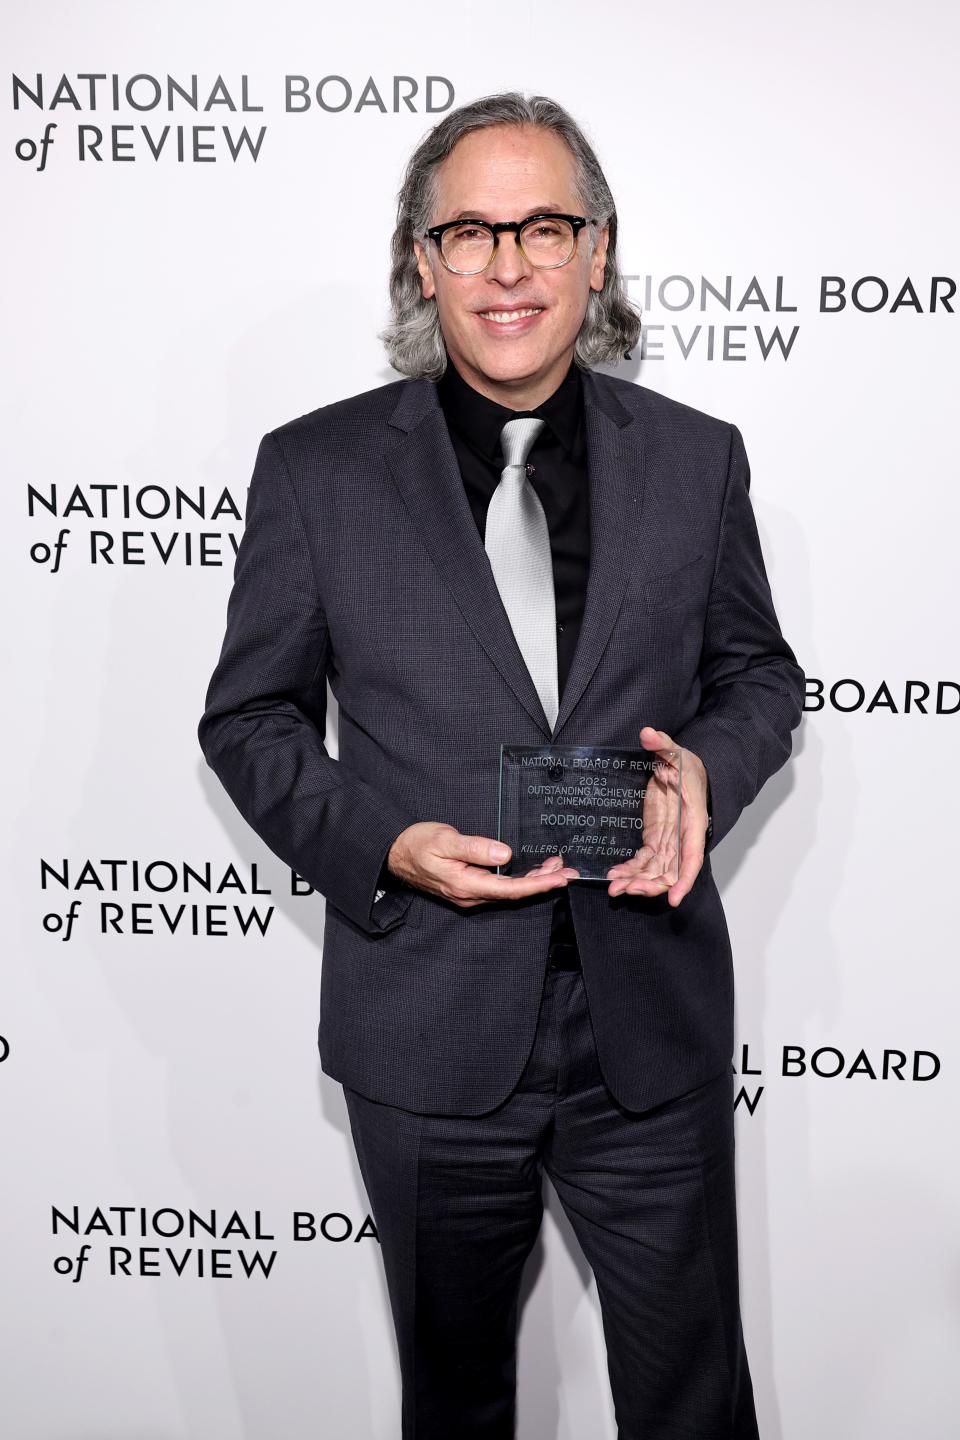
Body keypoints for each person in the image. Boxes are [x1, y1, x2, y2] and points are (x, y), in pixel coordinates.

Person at [198, 91, 803, 1440]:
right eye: (468, 232)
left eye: (542, 226)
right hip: (426, 1026)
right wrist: (382, 844)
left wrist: (704, 769)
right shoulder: (319, 473)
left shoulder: (697, 464)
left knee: (695, 1404)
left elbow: (760, 678)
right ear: (422, 262)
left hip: (646, 1024)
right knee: (456, 1408)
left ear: (599, 251)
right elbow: (249, 721)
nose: (509, 263)